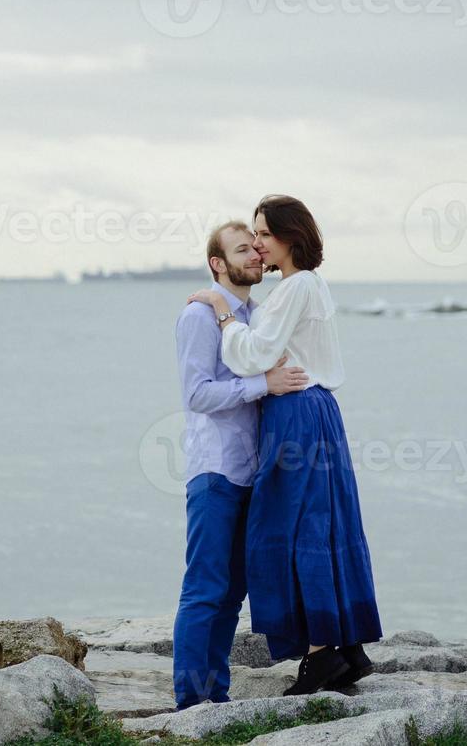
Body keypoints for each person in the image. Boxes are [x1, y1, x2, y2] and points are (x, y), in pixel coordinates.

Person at [188, 194, 382, 696]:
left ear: (289, 238)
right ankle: (343, 645)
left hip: (295, 413)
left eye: (263, 235)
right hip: (318, 412)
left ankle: (320, 657)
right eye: (251, 237)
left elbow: (253, 355)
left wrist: (223, 314)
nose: (257, 244)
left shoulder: (294, 287)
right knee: (325, 523)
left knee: (292, 529)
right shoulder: (310, 286)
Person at [172, 221, 310, 711]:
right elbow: (196, 394)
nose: (254, 255)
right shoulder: (199, 316)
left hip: (253, 472)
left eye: (256, 247)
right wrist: (262, 385)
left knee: (232, 596)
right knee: (205, 589)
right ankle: (190, 705)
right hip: (214, 471)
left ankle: (218, 700)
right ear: (217, 263)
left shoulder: (254, 316)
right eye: (241, 250)